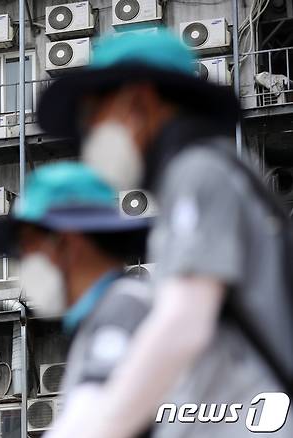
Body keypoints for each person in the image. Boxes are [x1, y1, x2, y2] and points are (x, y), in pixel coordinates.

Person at [37, 29, 293, 437]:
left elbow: (183, 323)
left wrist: (101, 429)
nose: (90, 135)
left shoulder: (199, 171)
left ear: (139, 101)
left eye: (97, 116)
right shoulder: (204, 176)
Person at [0, 161, 152, 433]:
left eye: (28, 247)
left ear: (69, 242)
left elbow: (94, 419)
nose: (22, 263)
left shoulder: (125, 309)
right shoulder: (98, 318)